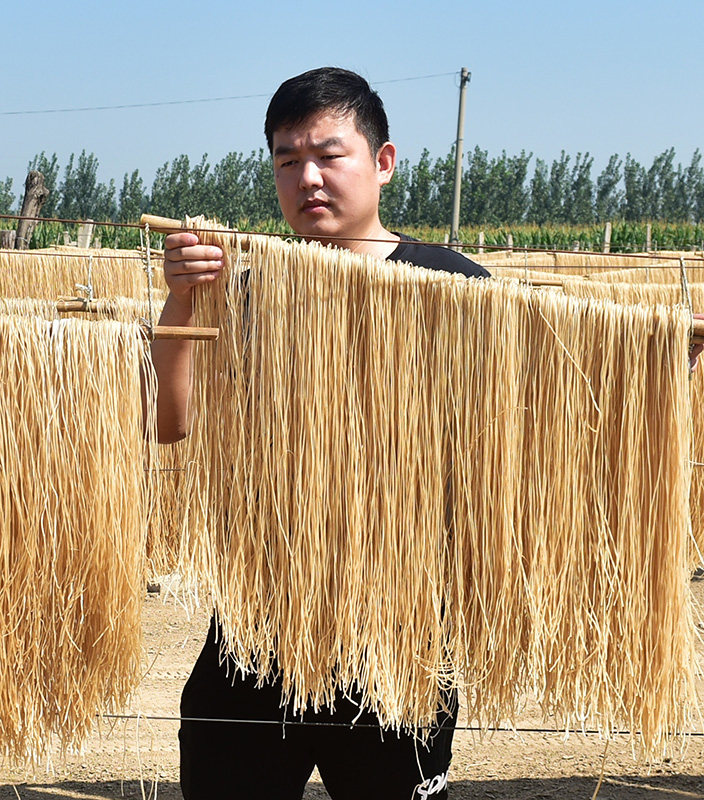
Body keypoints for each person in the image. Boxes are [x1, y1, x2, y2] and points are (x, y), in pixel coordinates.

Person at [153, 67, 489, 800]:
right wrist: (182, 298)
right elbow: (172, 423)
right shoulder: (249, 292)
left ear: (383, 162)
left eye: (329, 155)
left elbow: (551, 426)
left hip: (401, 630)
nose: (308, 177)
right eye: (286, 160)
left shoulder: (459, 290)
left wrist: (662, 360)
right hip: (259, 621)